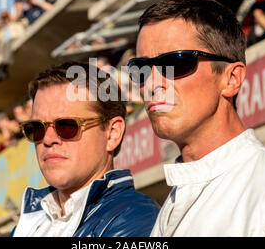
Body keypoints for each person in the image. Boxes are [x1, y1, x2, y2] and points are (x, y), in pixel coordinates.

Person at [128, 0, 265, 236]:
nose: (152, 83)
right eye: (141, 69)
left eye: (176, 62)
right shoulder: (177, 199)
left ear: (232, 79)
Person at [11, 62, 160, 237]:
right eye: (36, 128)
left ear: (112, 134)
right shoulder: (27, 224)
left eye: (66, 126)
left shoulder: (134, 217)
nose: (48, 139)